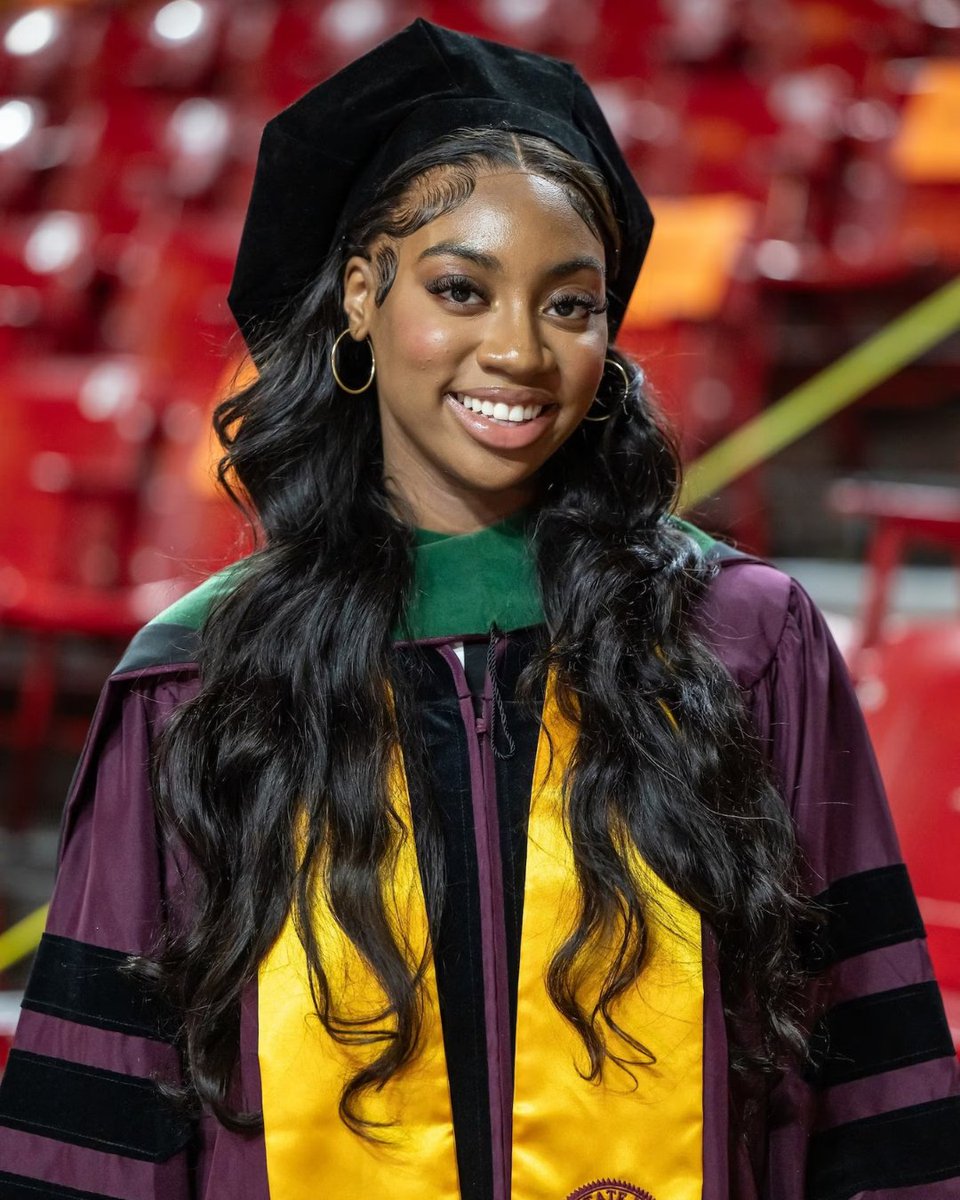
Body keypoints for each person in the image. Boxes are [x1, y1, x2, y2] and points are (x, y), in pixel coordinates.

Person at [1, 19, 958, 1200]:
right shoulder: (204, 678)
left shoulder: (739, 641)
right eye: (462, 289)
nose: (517, 350)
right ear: (361, 296)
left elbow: (867, 1081)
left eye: (570, 305)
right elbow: (99, 1128)